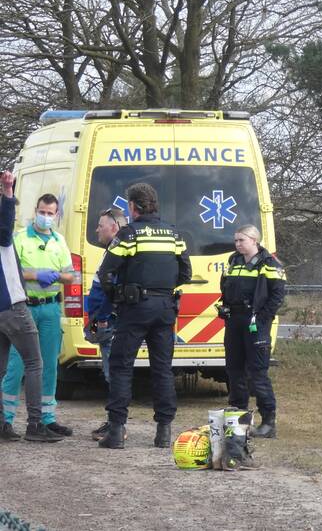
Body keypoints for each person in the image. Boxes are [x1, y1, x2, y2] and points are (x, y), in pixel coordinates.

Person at [96, 183, 191, 449]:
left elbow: (105, 273)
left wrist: (117, 296)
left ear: (133, 206)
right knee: (162, 369)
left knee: (121, 366)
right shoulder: (174, 234)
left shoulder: (129, 234)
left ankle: (116, 432)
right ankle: (163, 431)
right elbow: (185, 273)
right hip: (165, 309)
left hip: (134, 307)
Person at [2, 192, 75, 437]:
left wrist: (54, 275)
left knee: (49, 364)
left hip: (51, 307)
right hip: (24, 308)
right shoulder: (20, 238)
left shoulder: (59, 241)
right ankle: (7, 418)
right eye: (42, 212)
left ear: (57, 215)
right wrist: (37, 274)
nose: (45, 217)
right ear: (36, 211)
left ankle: (47, 417)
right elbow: (14, 270)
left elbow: (70, 275)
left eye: (50, 213)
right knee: (17, 365)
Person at [219, 224, 285, 438]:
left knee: (257, 373)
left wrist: (263, 317)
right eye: (236, 240)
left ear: (254, 241)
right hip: (234, 320)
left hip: (256, 322)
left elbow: (277, 295)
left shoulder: (269, 263)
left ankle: (268, 422)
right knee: (234, 370)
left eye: (242, 240)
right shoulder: (233, 260)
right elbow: (226, 286)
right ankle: (238, 419)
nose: (237, 244)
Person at [84, 207, 128, 441]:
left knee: (114, 373)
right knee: (110, 371)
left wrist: (100, 319)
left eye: (100, 225)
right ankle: (113, 421)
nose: (97, 229)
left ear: (114, 227)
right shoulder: (111, 251)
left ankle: (117, 426)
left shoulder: (118, 254)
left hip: (110, 321)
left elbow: (111, 292)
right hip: (104, 319)